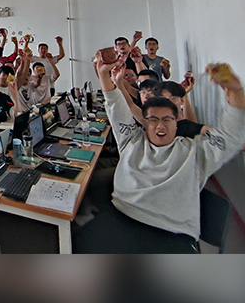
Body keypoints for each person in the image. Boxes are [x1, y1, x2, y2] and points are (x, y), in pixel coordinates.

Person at [76, 56, 245, 253]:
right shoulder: (132, 141)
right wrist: (104, 74)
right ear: (144, 123)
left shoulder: (196, 152)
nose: (160, 126)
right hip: (121, 218)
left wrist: (236, 91)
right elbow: (116, 106)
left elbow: (229, 135)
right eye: (153, 120)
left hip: (171, 232)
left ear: (176, 123)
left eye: (167, 119)